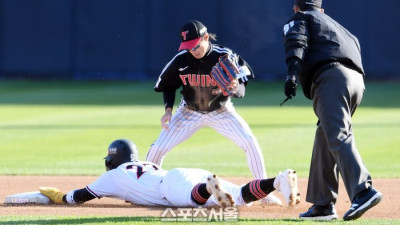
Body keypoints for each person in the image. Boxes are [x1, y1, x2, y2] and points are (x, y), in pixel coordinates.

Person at [146, 20, 281, 205]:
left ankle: (263, 193)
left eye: (195, 45)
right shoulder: (181, 60)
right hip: (188, 112)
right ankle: (146, 189)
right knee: (158, 148)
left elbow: (242, 88)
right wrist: (168, 110)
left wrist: (235, 88)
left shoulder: (225, 56)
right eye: (188, 47)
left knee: (249, 142)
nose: (192, 50)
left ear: (206, 37)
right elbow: (167, 85)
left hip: (221, 111)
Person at [281, 0, 383, 221]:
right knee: (324, 136)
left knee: (337, 134)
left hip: (331, 78)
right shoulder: (338, 27)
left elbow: (296, 41)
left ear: (296, 8)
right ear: (322, 10)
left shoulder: (301, 18)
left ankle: (363, 191)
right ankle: (323, 204)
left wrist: (291, 74)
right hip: (356, 81)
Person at [39, 139, 300, 209]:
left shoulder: (113, 176)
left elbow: (78, 197)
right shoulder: (143, 165)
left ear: (113, 159)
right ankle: (276, 181)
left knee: (190, 198)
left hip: (171, 187)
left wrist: (58, 196)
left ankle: (209, 190)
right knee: (238, 198)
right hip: (185, 172)